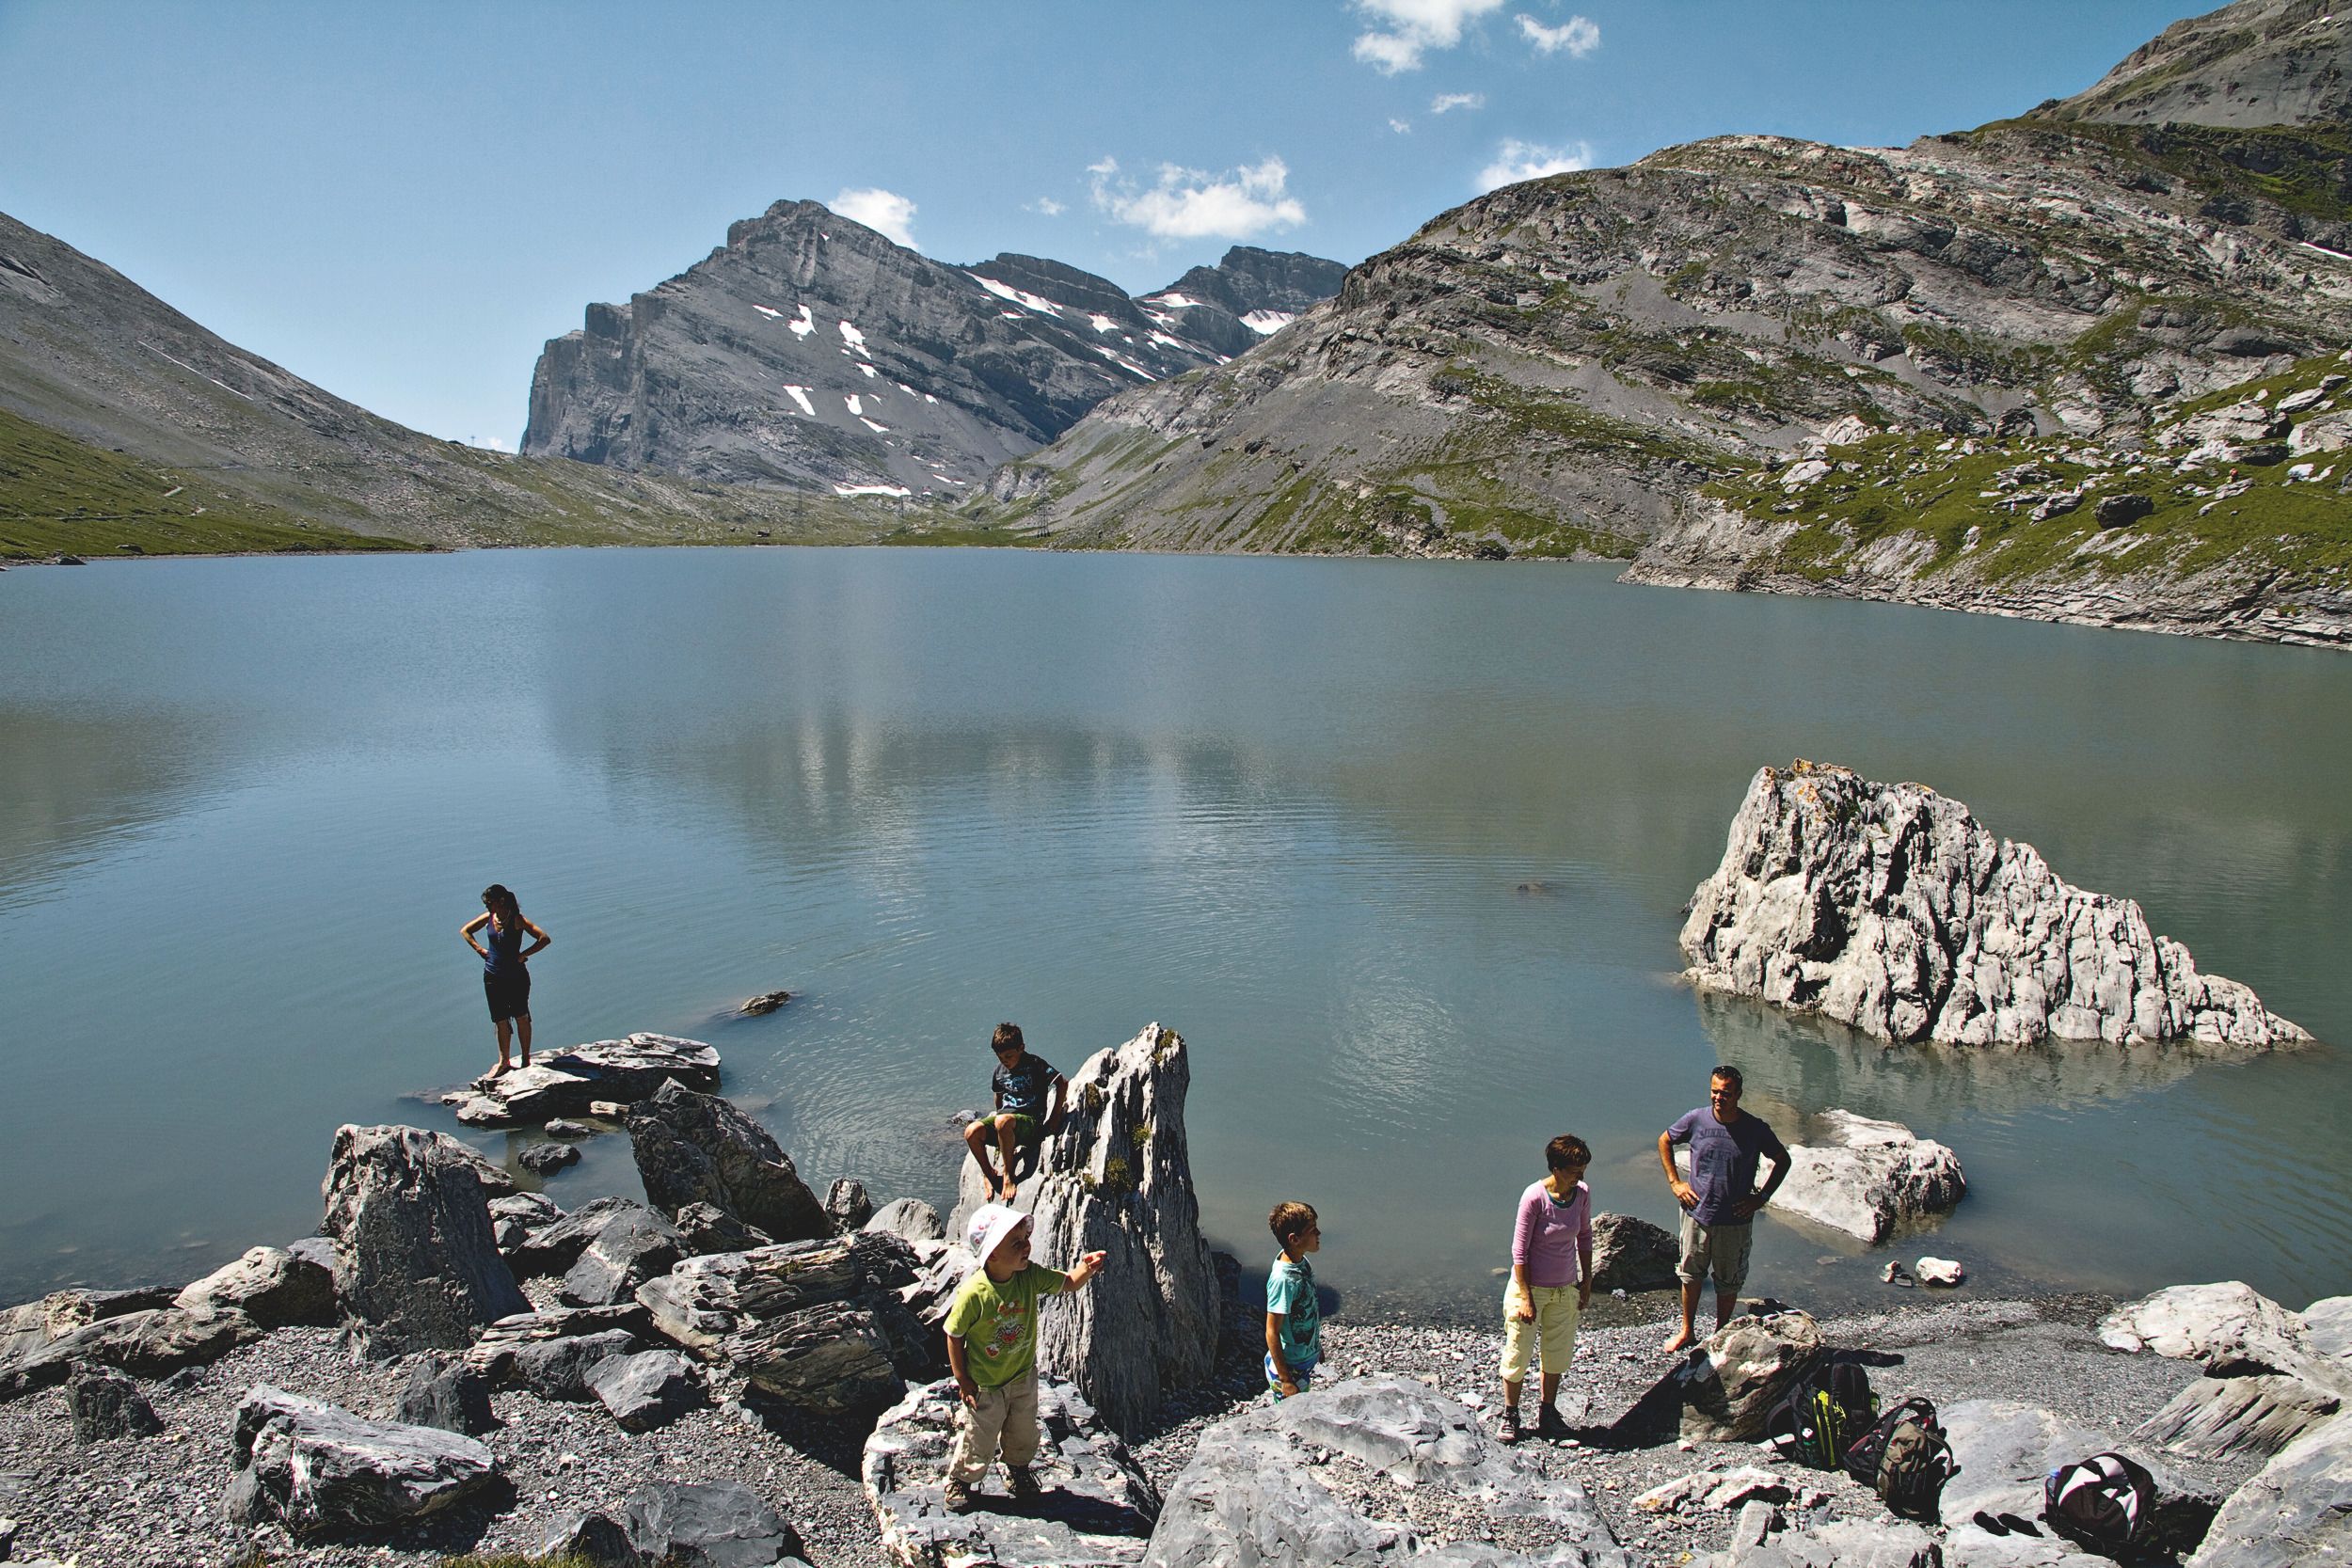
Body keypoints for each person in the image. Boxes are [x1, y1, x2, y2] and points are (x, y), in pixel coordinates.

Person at [942, 1203, 1106, 1513]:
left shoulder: (1029, 1276)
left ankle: (1017, 1470)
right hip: (986, 1385)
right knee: (980, 1436)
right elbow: (953, 1334)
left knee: (1023, 1431)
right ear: (991, 1254)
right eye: (1016, 1243)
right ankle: (961, 1479)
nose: (1026, 1246)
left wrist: (1087, 1268)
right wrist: (963, 1380)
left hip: (1022, 1377)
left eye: (1025, 1238)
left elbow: (1068, 1283)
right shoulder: (975, 1293)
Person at [1658, 1065, 1788, 1354]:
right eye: (1715, 1091)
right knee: (1690, 1275)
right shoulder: (1696, 1119)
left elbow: (1783, 1160)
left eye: (1726, 1093)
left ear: (1738, 1094)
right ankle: (1687, 1331)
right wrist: (1675, 1183)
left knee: (1728, 1281)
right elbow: (1665, 1140)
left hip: (1735, 1220)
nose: (1719, 1098)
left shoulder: (1755, 1129)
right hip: (1696, 1214)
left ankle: (1720, 1334)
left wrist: (1762, 1197)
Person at [1497, 1134, 1594, 1444]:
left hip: (1563, 1288)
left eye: (1583, 1170)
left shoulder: (1581, 1195)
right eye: (1574, 1170)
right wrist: (1525, 1298)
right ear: (1556, 1168)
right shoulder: (1534, 1197)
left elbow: (1586, 1237)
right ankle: (1511, 1414)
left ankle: (1548, 1412)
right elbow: (1519, 1252)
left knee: (1557, 1354)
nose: (1580, 1177)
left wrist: (1586, 1280)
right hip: (1531, 1290)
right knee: (1518, 1352)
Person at [964, 1023, 1066, 1202]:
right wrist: (997, 1120)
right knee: (971, 1131)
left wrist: (1054, 1117)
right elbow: (999, 1098)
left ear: (1021, 1048)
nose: (1004, 1060)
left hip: (1029, 1123)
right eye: (1000, 1056)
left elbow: (1062, 1083)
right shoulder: (999, 1072)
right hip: (1005, 1123)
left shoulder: (1035, 1064)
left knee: (1002, 1121)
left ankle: (1009, 1176)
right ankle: (989, 1174)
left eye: (1009, 1056)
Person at [460, 883, 548, 1078]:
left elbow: (544, 938)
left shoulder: (517, 919)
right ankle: (504, 1061)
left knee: (521, 1016)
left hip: (516, 976)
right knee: (500, 1019)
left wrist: (523, 955)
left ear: (501, 901)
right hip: (492, 975)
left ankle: (526, 1060)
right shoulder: (489, 918)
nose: (487, 907)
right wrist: (479, 949)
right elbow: (465, 931)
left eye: (489, 903)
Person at [1264, 1200, 1323, 1400]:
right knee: (1292, 1417)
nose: (1319, 1234)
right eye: (1312, 1230)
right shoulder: (1283, 1280)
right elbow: (1272, 1331)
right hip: (1291, 1367)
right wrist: (1286, 1380)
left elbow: (1307, 1310)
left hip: (1304, 1358)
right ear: (1294, 1239)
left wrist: (1317, 1347)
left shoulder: (1300, 1261)